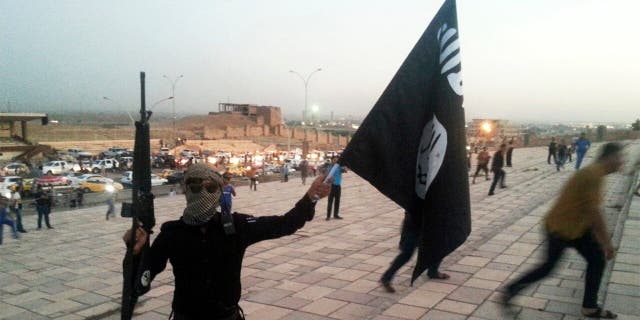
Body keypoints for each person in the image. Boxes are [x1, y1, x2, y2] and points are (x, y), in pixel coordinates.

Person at [123, 163, 332, 320]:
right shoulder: (172, 234)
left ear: (219, 191)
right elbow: (140, 283)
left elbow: (284, 224)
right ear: (186, 190)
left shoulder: (235, 226)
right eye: (195, 187)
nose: (203, 192)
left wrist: (310, 198)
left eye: (211, 187)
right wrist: (135, 253)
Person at [501, 143, 624, 319]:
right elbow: (594, 212)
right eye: (620, 158)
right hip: (560, 229)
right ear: (610, 157)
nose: (622, 162)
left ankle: (589, 306)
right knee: (548, 268)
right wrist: (607, 244)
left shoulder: (595, 173)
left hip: (576, 228)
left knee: (596, 260)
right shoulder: (593, 175)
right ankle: (509, 290)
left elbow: (589, 210)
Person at [380, 211, 449, 293]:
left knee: (439, 246)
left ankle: (433, 271)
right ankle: (386, 277)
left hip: (428, 223)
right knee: (406, 254)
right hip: (414, 225)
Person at [326, 156, 345, 220]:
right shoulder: (330, 167)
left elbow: (344, 170)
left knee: (337, 201)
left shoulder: (339, 167)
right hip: (331, 186)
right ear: (332, 160)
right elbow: (327, 175)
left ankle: (336, 215)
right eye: (334, 160)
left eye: (337, 160)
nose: (336, 161)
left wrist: (342, 166)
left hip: (338, 186)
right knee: (330, 201)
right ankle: (328, 216)